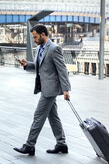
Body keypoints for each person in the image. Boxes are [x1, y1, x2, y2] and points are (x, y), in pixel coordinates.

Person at [13, 24, 71, 156]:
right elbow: (39, 67)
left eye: (35, 37)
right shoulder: (39, 48)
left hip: (50, 89)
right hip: (44, 86)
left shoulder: (54, 49)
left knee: (38, 116)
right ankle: (61, 144)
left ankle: (30, 145)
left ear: (43, 34)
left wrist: (66, 89)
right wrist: (27, 64)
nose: (34, 40)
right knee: (53, 117)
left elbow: (62, 70)